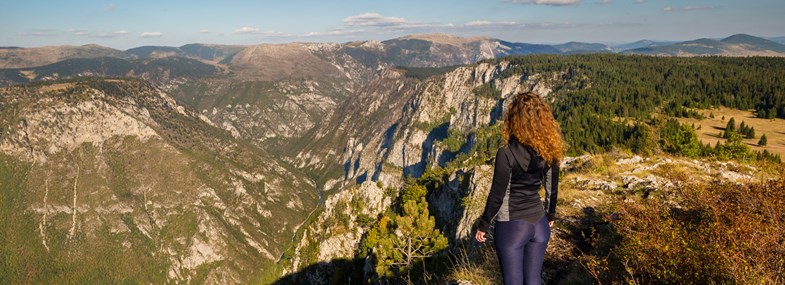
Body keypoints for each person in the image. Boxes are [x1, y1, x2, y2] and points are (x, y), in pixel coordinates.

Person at [475, 91, 563, 285]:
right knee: (533, 280)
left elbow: (497, 195)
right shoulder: (549, 151)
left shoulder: (506, 153)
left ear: (514, 119)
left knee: (513, 280)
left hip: (512, 225)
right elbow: (552, 189)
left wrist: (484, 224)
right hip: (539, 225)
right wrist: (550, 216)